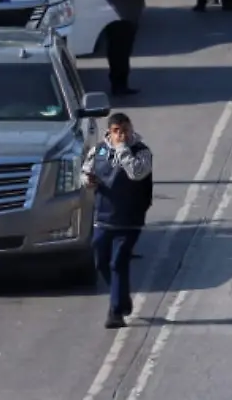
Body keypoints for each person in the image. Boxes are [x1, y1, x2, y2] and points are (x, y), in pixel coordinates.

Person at [86, 113, 154, 330]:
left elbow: (136, 173)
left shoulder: (142, 152)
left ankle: (115, 312)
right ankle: (122, 298)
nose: (122, 134)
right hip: (104, 217)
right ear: (110, 131)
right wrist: (87, 180)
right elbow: (85, 171)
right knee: (101, 262)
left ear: (131, 129)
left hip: (130, 219)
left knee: (118, 262)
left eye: (125, 130)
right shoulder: (99, 151)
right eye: (117, 131)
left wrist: (122, 149)